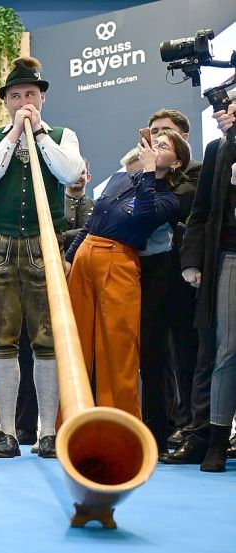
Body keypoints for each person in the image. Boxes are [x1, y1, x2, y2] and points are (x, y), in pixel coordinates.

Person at [0, 56, 85, 458]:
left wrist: (36, 131)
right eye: (16, 96)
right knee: (0, 340)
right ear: (5, 101)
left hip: (44, 244)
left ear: (42, 98)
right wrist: (13, 134)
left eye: (31, 95)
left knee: (47, 340)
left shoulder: (61, 135)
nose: (24, 102)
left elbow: (71, 173)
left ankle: (46, 433)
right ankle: (7, 432)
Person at [65, 132, 184, 417]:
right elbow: (93, 222)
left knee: (118, 349)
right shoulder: (120, 179)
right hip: (85, 257)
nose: (156, 147)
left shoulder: (169, 200)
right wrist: (69, 258)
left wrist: (148, 173)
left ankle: (119, 424)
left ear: (177, 162)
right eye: (154, 143)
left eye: (164, 146)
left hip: (119, 261)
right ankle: (72, 423)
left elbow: (144, 216)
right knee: (77, 342)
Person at [132, 110, 202, 456]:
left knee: (184, 354)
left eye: (165, 135)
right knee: (153, 357)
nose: (156, 139)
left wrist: (150, 174)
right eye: (153, 133)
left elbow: (165, 211)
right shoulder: (139, 176)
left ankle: (191, 427)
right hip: (148, 276)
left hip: (182, 275)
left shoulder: (195, 173)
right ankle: (159, 431)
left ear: (182, 142)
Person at [179, 103, 236, 472]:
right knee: (226, 349)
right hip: (229, 255)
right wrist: (191, 262)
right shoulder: (218, 149)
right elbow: (199, 213)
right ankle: (216, 439)